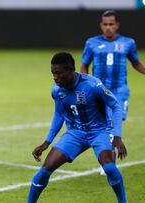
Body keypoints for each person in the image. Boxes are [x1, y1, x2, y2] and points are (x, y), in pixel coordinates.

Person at [27, 52, 127, 203]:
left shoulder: (93, 85)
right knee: (45, 169)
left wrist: (117, 136)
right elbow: (59, 114)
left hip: (100, 131)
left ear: (71, 70)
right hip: (76, 133)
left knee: (110, 168)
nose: (55, 77)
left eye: (58, 73)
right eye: (53, 73)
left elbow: (115, 106)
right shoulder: (57, 90)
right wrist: (46, 142)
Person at [81, 10, 145, 175]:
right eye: (105, 24)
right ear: (101, 25)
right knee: (105, 125)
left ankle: (108, 159)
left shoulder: (128, 43)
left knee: (114, 122)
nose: (108, 27)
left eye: (111, 24)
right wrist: (83, 85)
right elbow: (84, 66)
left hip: (120, 91)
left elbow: (136, 63)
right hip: (99, 92)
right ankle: (108, 159)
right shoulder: (91, 43)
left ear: (117, 25)